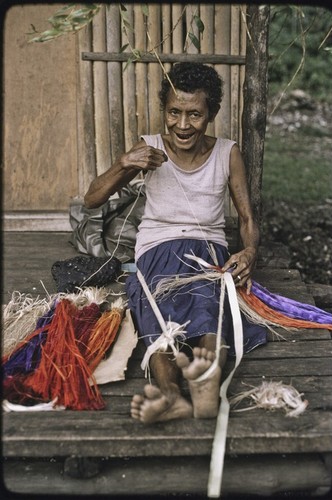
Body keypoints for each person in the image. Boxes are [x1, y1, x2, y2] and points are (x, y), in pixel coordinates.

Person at [84, 62, 267, 424]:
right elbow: (92, 200)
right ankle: (170, 394)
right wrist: (124, 163)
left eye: (195, 114)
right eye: (174, 112)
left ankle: (207, 385)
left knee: (209, 302)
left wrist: (249, 252)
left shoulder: (227, 152)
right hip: (156, 250)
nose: (183, 125)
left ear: (211, 113)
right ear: (164, 110)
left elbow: (246, 219)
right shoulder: (148, 148)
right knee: (154, 306)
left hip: (208, 250)